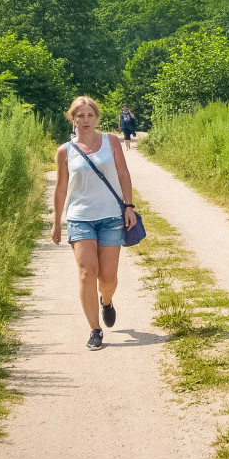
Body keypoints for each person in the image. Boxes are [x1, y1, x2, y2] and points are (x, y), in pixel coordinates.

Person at [53, 95, 139, 350]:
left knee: (108, 278)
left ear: (97, 117)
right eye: (80, 115)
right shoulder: (64, 151)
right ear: (72, 119)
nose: (86, 120)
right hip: (80, 218)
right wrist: (57, 222)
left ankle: (106, 302)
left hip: (111, 216)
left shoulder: (110, 141)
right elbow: (60, 189)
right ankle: (94, 329)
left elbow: (123, 174)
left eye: (90, 115)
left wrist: (129, 206)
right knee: (87, 272)